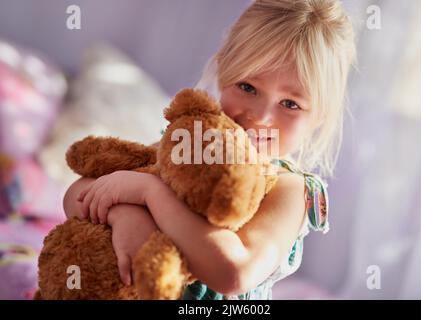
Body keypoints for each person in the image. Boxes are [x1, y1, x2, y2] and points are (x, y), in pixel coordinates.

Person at [63, 0, 356, 300]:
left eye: (290, 104)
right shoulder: (191, 146)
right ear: (224, 71)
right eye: (248, 87)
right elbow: (76, 194)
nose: (261, 117)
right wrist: (125, 215)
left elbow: (234, 274)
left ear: (319, 116)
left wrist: (150, 193)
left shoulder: (289, 189)